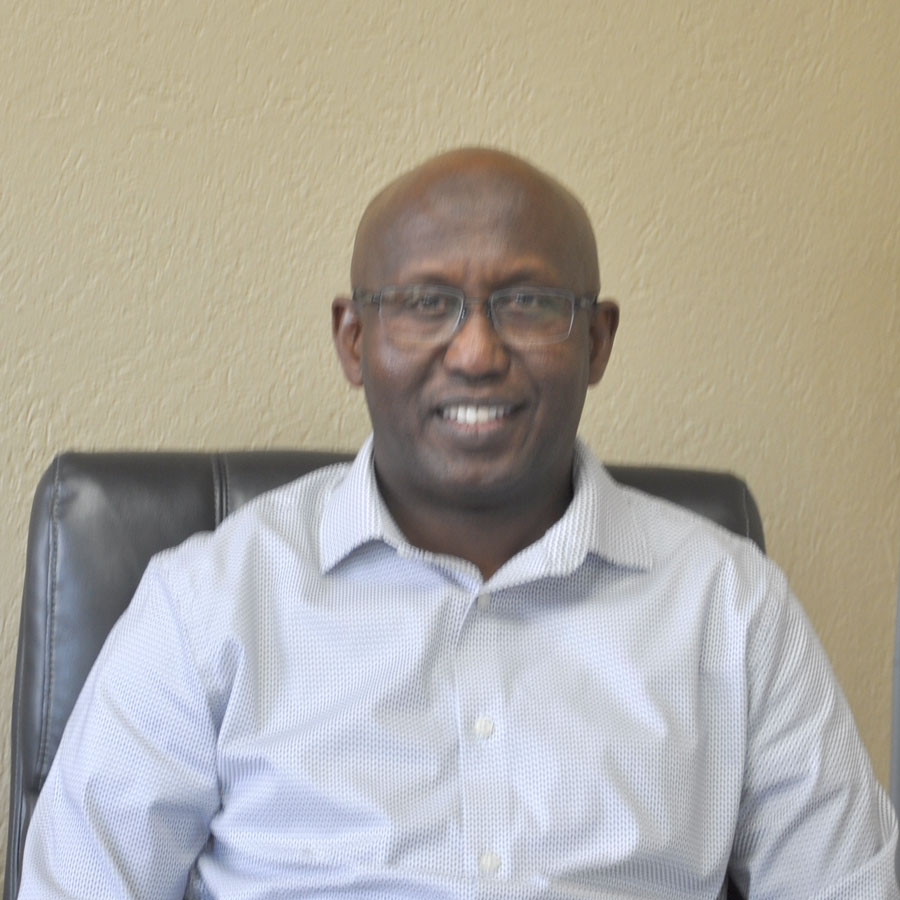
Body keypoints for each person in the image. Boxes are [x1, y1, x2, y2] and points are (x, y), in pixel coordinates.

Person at [18, 148, 899, 898]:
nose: (476, 352)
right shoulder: (207, 603)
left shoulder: (730, 605)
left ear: (596, 342)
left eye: (529, 303)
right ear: (354, 341)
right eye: (424, 303)